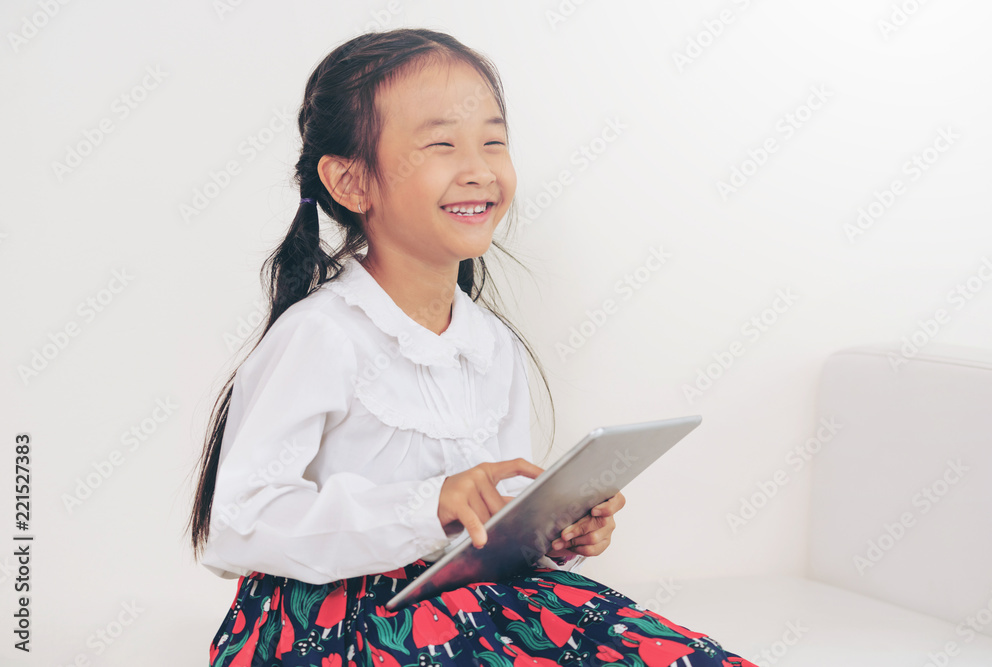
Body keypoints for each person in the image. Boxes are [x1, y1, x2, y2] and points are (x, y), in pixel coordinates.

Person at [187, 27, 757, 667]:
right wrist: (427, 504)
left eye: (494, 141)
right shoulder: (322, 333)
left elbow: (485, 520)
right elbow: (240, 524)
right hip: (339, 620)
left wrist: (550, 530)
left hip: (470, 594)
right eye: (441, 144)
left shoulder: (491, 344)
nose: (480, 169)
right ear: (351, 182)